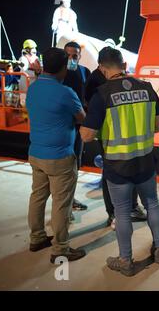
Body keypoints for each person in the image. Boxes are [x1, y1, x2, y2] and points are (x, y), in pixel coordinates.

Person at [80, 48, 159, 276]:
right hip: (145, 160)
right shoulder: (147, 89)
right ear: (124, 63)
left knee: (122, 212)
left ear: (102, 68)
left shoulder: (102, 95)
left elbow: (87, 135)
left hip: (118, 166)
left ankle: (125, 260)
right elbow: (158, 124)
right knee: (153, 204)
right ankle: (158, 250)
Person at [26, 47, 86, 263]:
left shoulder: (33, 88)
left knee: (38, 196)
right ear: (62, 68)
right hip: (60, 157)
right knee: (61, 203)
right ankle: (60, 249)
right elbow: (81, 117)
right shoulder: (66, 93)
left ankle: (37, 238)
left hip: (36, 153)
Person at [84, 47, 147, 229]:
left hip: (129, 134)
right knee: (110, 174)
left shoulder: (125, 79)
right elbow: (90, 106)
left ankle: (132, 207)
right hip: (110, 136)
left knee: (131, 169)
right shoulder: (96, 81)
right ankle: (112, 213)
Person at [63, 41, 91, 212]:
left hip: (79, 125)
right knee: (63, 165)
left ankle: (70, 198)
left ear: (80, 56)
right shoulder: (59, 72)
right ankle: (64, 201)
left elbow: (89, 95)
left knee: (76, 162)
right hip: (63, 125)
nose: (71, 59)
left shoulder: (84, 72)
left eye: (75, 56)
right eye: (68, 55)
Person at [18, 39, 41, 107]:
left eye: (34, 48)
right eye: (32, 48)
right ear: (27, 49)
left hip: (35, 82)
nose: (34, 50)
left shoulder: (36, 58)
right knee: (24, 102)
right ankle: (24, 114)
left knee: (35, 101)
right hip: (25, 82)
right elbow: (23, 68)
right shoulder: (23, 58)